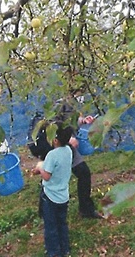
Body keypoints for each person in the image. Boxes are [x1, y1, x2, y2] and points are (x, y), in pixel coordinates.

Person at [54, 89, 103, 219]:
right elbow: (52, 126)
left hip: (68, 146)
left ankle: (85, 210)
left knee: (83, 173)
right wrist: (67, 139)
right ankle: (50, 213)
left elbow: (71, 121)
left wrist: (83, 121)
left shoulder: (74, 105)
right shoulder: (61, 104)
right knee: (56, 178)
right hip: (60, 146)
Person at [33, 121, 73, 257]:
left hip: (50, 197)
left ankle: (54, 253)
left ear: (55, 140)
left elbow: (47, 176)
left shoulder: (52, 155)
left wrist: (39, 167)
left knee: (51, 227)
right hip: (63, 196)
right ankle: (65, 248)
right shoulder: (68, 151)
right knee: (62, 223)